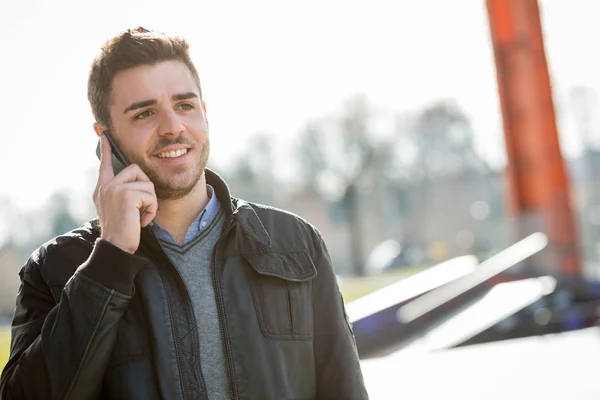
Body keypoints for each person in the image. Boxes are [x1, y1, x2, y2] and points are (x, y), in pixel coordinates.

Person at [0, 27, 369, 399]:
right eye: (145, 113)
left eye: (185, 105)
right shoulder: (54, 270)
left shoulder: (296, 243)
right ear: (106, 140)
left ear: (204, 114)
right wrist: (109, 260)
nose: (173, 127)